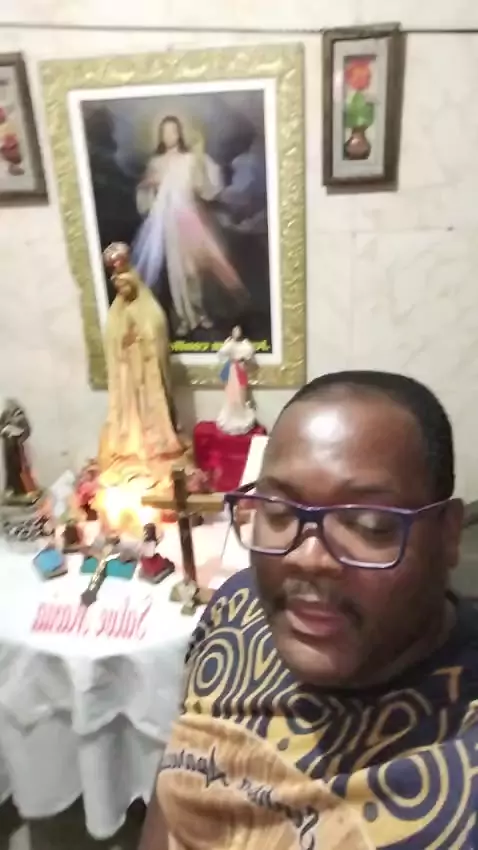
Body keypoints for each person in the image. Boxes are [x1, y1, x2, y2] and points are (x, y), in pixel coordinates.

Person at [139, 370, 478, 850]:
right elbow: (180, 775)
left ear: (447, 535)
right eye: (279, 512)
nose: (308, 557)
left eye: (369, 524)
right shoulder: (238, 606)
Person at [131, 115, 246, 337]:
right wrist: (149, 185)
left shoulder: (191, 159)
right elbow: (146, 195)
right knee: (176, 272)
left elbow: (204, 188)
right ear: (160, 135)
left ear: (180, 133)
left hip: (189, 217)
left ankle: (199, 313)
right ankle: (183, 318)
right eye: (165, 131)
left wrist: (200, 159)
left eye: (173, 131)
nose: (170, 135)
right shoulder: (156, 163)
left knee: (194, 269)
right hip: (167, 221)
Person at [98, 242, 184, 486]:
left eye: (124, 284)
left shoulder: (149, 309)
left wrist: (140, 341)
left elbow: (155, 333)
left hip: (147, 375)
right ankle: (132, 450)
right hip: (128, 374)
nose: (121, 289)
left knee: (150, 410)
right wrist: (123, 344)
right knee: (130, 413)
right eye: (117, 285)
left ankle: (157, 448)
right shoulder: (116, 313)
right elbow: (113, 340)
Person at [216, 325, 256, 435]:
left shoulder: (245, 344)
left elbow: (249, 354)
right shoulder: (229, 343)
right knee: (230, 394)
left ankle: (241, 417)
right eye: (234, 331)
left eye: (238, 331)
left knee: (241, 394)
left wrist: (243, 360)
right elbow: (221, 353)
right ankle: (230, 417)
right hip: (231, 370)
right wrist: (230, 345)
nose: (236, 333)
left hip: (240, 369)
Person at [0, 397, 39, 503]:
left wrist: (19, 436)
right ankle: (12, 489)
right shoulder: (5, 415)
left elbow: (27, 430)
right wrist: (5, 431)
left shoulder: (21, 417)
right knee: (11, 470)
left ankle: (26, 490)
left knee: (22, 469)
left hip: (19, 448)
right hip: (9, 448)